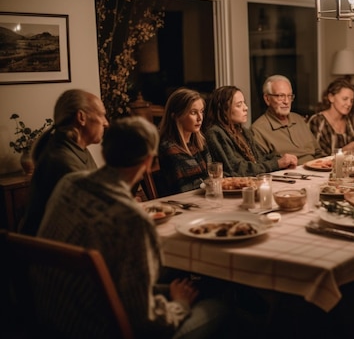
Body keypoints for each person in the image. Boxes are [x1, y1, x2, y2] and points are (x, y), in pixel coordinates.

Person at [36, 116, 228, 339]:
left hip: (54, 318)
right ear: (148, 162)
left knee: (184, 283)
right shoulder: (133, 220)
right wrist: (180, 304)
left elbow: (121, 283)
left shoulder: (68, 185)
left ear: (105, 153)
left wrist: (168, 292)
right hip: (100, 328)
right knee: (221, 305)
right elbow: (148, 322)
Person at [18, 89, 109, 236]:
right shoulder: (62, 160)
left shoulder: (75, 148)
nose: (106, 123)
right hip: (48, 252)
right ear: (81, 117)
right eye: (101, 115)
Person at [203, 85, 297, 177]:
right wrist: (277, 164)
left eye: (244, 103)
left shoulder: (243, 131)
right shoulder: (215, 133)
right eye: (239, 105)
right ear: (223, 109)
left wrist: (282, 159)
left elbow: (261, 159)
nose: (246, 108)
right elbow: (236, 169)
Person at [251, 74, 324, 165]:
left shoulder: (298, 119)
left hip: (316, 171)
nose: (286, 101)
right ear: (267, 99)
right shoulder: (258, 129)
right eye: (281, 96)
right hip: (289, 176)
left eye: (289, 96)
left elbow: (318, 153)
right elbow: (262, 166)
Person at [158, 88, 212, 196]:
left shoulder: (199, 143)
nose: (200, 118)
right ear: (176, 116)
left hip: (203, 200)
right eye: (193, 112)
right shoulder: (169, 148)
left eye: (201, 111)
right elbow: (185, 189)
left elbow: (211, 176)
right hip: (182, 205)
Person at [307, 77, 354, 156]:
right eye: (345, 99)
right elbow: (316, 158)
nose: (349, 104)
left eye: (351, 100)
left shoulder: (352, 120)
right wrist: (344, 150)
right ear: (331, 98)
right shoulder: (317, 121)